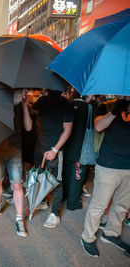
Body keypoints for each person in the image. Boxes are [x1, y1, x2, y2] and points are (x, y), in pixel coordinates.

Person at [81, 97, 130, 258]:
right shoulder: (108, 106)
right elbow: (98, 126)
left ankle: (110, 234)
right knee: (99, 205)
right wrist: (115, 112)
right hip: (108, 165)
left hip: (128, 167)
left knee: (122, 205)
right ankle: (87, 237)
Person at [23, 89, 73, 229]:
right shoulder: (42, 101)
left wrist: (55, 149)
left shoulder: (66, 105)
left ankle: (55, 214)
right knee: (39, 175)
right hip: (40, 146)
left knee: (57, 181)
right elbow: (33, 113)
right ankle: (43, 200)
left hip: (56, 149)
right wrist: (25, 104)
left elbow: (67, 130)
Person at [0, 93, 29, 237]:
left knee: (17, 185)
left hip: (15, 151)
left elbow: (28, 127)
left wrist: (25, 105)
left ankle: (19, 219)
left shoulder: (20, 103)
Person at [63, 90, 91, 210]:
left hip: (66, 146)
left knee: (66, 173)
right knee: (77, 176)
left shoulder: (66, 105)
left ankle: (63, 196)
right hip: (81, 149)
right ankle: (72, 203)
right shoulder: (88, 108)